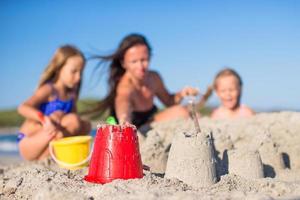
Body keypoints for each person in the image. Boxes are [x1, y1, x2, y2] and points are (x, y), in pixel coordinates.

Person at [92, 33, 198, 128]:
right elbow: (123, 102)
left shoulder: (154, 78)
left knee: (184, 112)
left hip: (149, 122)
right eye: (134, 61)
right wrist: (124, 119)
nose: (140, 66)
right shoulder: (125, 86)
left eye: (144, 60)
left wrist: (182, 94)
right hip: (130, 125)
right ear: (124, 63)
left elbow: (169, 101)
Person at [18, 45, 91, 161]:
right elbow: (23, 107)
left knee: (84, 124)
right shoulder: (49, 89)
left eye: (81, 73)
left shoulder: (71, 95)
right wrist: (45, 120)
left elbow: (74, 124)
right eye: (74, 71)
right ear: (59, 68)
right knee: (69, 119)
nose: (78, 77)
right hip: (29, 141)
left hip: (49, 141)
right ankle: (52, 155)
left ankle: (49, 156)